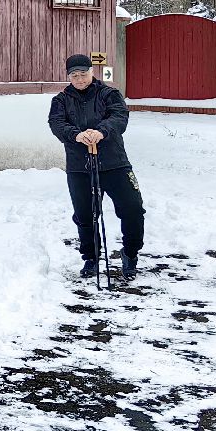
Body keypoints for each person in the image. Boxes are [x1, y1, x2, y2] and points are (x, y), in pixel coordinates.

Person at [48, 53, 145, 280]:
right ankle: (91, 258)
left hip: (115, 163)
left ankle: (130, 253)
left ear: (92, 72)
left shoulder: (109, 94)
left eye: (83, 74)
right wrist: (76, 135)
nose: (79, 79)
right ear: (68, 77)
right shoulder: (60, 100)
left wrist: (101, 131)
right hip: (80, 167)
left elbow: (119, 117)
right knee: (85, 215)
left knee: (133, 209)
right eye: (74, 75)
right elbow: (57, 124)